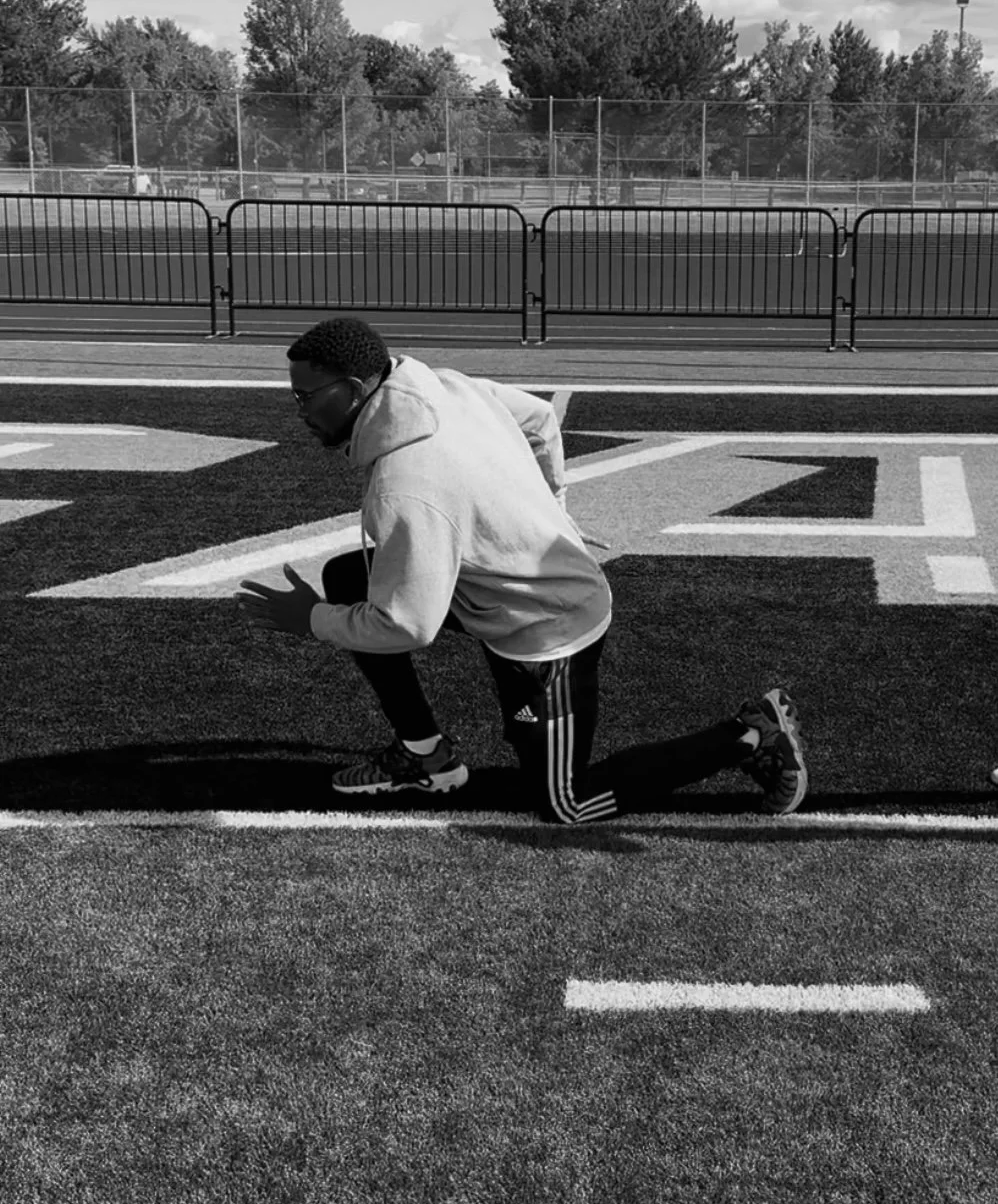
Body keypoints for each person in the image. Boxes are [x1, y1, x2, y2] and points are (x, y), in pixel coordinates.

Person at [236, 317, 808, 826]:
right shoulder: (443, 385)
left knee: (566, 804)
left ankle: (753, 735)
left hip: (550, 627)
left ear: (357, 390)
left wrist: (309, 620)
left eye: (305, 397)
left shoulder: (406, 487)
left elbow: (410, 627)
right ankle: (425, 756)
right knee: (350, 578)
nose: (301, 412)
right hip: (501, 591)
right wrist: (549, 513)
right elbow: (538, 419)